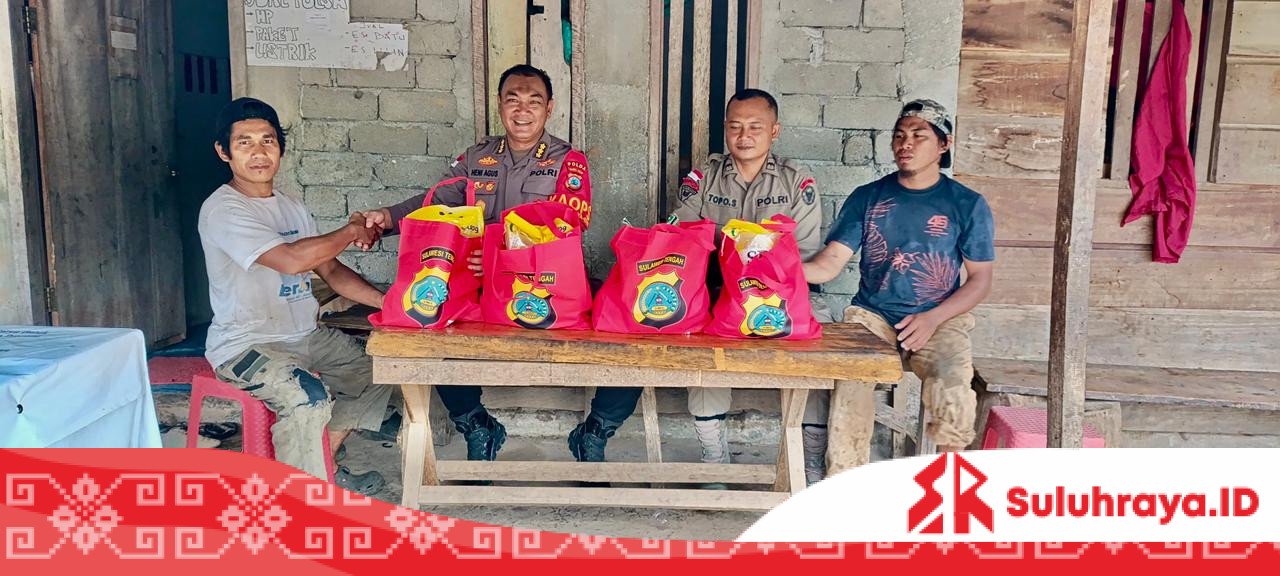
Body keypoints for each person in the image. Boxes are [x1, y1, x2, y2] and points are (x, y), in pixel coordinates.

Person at [568, 89, 833, 475]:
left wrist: (738, 253)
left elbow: (801, 254)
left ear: (774, 131)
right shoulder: (705, 177)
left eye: (755, 127)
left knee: (816, 350)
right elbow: (682, 236)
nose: (744, 135)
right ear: (725, 129)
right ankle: (714, 455)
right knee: (700, 338)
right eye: (735, 127)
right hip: (719, 290)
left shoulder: (796, 182)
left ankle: (810, 457)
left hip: (782, 293)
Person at [356, 64, 593, 463]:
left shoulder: (568, 162)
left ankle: (594, 433)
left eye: (534, 101)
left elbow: (567, 227)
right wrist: (388, 217)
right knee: (429, 325)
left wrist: (500, 256)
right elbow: (437, 202)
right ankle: (475, 423)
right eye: (513, 100)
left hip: (538, 291)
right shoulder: (477, 157)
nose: (522, 110)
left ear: (549, 108)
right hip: (478, 286)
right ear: (500, 105)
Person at [197, 97, 392, 495]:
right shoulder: (223, 209)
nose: (258, 152)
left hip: (305, 335)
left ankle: (323, 468)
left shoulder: (292, 207)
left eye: (267, 141)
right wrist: (350, 231)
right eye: (245, 142)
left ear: (280, 149)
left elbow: (330, 270)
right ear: (223, 151)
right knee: (307, 398)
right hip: (246, 345)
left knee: (378, 371)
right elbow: (289, 260)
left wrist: (391, 306)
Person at [803, 99, 995, 466]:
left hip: (939, 316)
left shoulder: (967, 204)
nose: (905, 144)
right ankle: (843, 480)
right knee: (851, 387)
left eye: (919, 136)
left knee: (953, 388)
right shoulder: (868, 197)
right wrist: (775, 268)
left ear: (944, 144)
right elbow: (828, 265)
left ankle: (949, 479)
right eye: (899, 135)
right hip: (873, 315)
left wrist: (932, 319)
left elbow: (980, 279)